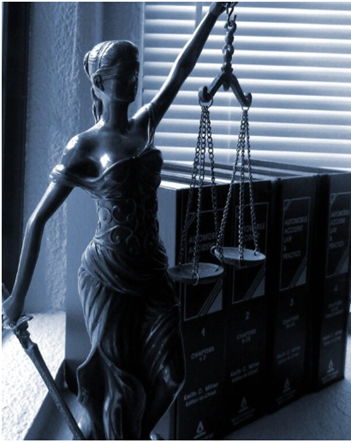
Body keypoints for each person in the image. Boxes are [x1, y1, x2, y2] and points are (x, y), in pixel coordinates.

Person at [2, 3, 230, 439]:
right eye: (123, 73)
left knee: (172, 374)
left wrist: (214, 11)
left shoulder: (145, 126)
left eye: (135, 70)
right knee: (119, 386)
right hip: (107, 275)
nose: (132, 80)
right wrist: (16, 298)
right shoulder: (82, 147)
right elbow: (36, 222)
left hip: (152, 270)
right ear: (100, 82)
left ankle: (127, 434)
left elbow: (181, 71)